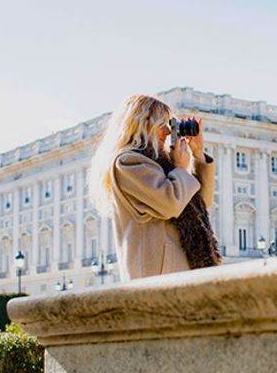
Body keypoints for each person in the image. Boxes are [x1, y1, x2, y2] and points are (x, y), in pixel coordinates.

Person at [87, 94, 222, 281]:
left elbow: (203, 202)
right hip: (157, 275)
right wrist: (181, 168)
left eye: (169, 124)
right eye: (161, 124)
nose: (168, 131)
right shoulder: (128, 162)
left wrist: (197, 155)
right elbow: (170, 204)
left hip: (183, 269)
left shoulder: (164, 164)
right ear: (141, 125)